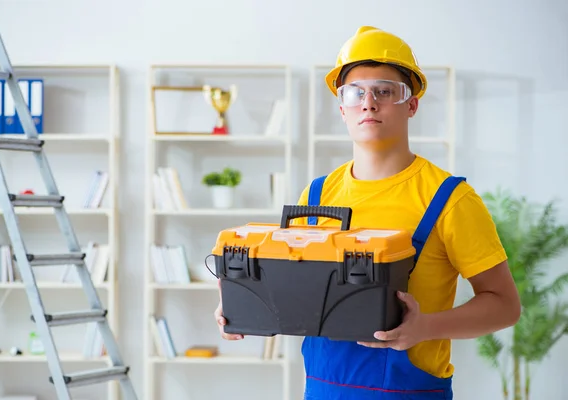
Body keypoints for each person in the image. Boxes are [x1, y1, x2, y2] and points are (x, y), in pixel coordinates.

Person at [214, 26, 521, 399]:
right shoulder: (316, 195)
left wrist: (424, 327)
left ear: (412, 104)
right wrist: (241, 304)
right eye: (355, 92)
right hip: (321, 389)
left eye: (384, 91)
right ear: (342, 108)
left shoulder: (448, 199)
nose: (368, 102)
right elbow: (298, 287)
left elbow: (505, 306)